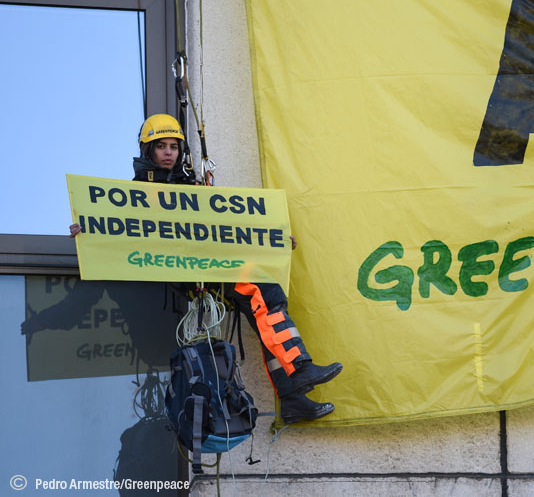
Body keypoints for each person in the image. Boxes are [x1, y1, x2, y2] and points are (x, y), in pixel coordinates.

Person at [70, 114, 342, 424]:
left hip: (211, 267)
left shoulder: (193, 186)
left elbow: (229, 227)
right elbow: (116, 229)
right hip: (182, 275)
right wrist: (88, 229)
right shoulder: (129, 196)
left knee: (264, 299)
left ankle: (293, 393)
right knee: (261, 295)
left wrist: (273, 241)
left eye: (174, 146)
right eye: (161, 146)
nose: (169, 152)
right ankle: (298, 371)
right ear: (148, 151)